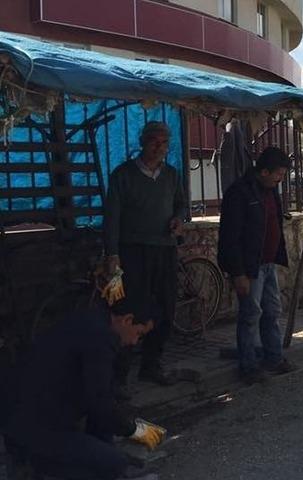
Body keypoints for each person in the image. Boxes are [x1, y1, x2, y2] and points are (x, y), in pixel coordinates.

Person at [3, 299, 166, 480]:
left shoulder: (92, 320)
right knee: (113, 462)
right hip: (33, 427)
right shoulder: (100, 339)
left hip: (35, 415)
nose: (135, 342)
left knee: (106, 441)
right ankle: (34, 467)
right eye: (139, 334)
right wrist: (134, 430)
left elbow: (101, 398)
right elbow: (100, 401)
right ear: (127, 320)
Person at [104, 121, 185, 387]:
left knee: (164, 307)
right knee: (131, 309)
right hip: (132, 251)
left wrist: (177, 219)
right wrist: (112, 253)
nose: (159, 148)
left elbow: (179, 206)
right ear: (142, 142)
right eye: (154, 141)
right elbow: (112, 217)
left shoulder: (172, 175)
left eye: (164, 143)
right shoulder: (123, 175)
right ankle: (119, 377)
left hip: (164, 250)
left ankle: (152, 364)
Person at [218, 147, 294, 385]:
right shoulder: (239, 193)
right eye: (277, 175)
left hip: (268, 264)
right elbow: (230, 237)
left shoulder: (270, 192)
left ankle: (274, 357)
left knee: (271, 312)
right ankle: (248, 366)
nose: (280, 179)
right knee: (250, 315)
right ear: (263, 171)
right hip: (249, 267)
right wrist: (238, 273)